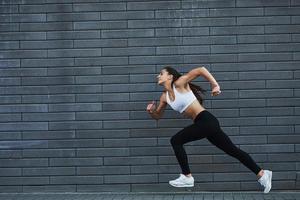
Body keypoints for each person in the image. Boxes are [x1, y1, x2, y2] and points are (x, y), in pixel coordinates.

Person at [146, 66, 272, 193]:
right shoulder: (164, 97)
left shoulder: (179, 84)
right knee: (233, 150)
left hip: (206, 120)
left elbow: (201, 70)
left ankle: (187, 176)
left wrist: (215, 85)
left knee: (176, 140)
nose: (158, 76)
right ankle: (262, 174)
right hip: (204, 124)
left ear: (170, 76)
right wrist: (151, 111)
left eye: (161, 73)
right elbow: (157, 116)